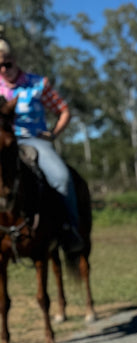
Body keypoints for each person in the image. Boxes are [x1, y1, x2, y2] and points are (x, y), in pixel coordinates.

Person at [0, 36, 83, 253]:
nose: (3, 69)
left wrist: (53, 134)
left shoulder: (38, 84)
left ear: (15, 60)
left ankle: (69, 230)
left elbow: (64, 110)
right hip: (3, 144)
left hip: (33, 141)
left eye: (7, 63)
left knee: (61, 178)